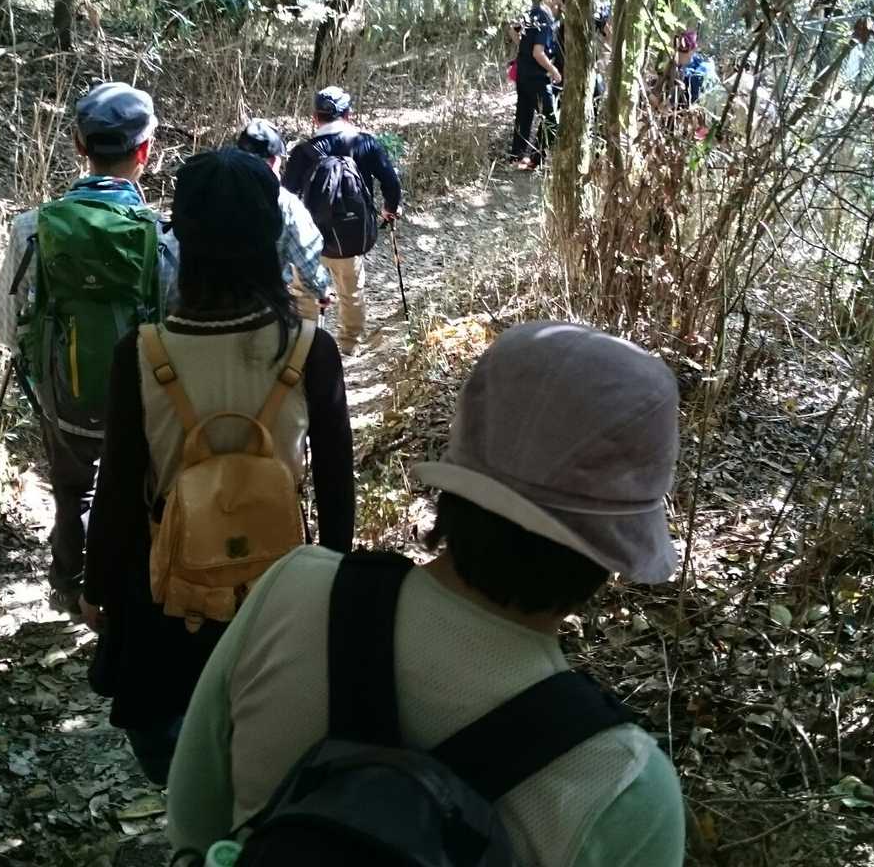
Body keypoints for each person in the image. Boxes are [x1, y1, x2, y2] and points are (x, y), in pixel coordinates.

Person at [167, 321, 688, 866]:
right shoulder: (625, 787)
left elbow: (193, 824)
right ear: (614, 550)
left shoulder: (294, 593)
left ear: (454, 484)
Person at [81, 148, 356, 786]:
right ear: (270, 235)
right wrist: (337, 585)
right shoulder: (310, 350)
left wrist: (98, 588)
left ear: (183, 237)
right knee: (266, 764)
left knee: (177, 765)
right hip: (277, 595)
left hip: (167, 599)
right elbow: (336, 485)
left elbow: (118, 488)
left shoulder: (141, 354)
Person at [0, 81, 176, 607]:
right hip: (142, 400)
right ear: (145, 151)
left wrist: (40, 370)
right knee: (136, 490)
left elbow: (6, 325)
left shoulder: (33, 228)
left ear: (79, 145)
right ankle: (124, 593)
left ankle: (68, 583)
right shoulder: (163, 237)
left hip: (62, 397)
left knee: (71, 489)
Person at [282, 86, 402, 356]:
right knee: (351, 291)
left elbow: (286, 194)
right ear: (348, 115)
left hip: (310, 238)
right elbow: (391, 182)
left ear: (315, 118)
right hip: (350, 236)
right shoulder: (365, 143)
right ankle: (349, 344)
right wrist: (390, 209)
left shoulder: (303, 152)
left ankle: (306, 347)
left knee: (304, 291)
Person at [231, 118, 332, 321]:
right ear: (275, 161)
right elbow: (307, 261)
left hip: (204, 303)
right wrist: (322, 291)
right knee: (316, 339)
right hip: (262, 308)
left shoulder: (214, 189)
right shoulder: (285, 203)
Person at [511, 0, 564, 171]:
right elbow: (538, 52)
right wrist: (554, 71)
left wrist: (523, 47)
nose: (560, 1)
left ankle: (517, 158)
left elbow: (513, 29)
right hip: (537, 76)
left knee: (524, 115)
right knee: (551, 120)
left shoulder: (532, 12)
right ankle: (534, 160)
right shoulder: (545, 17)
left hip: (523, 72)